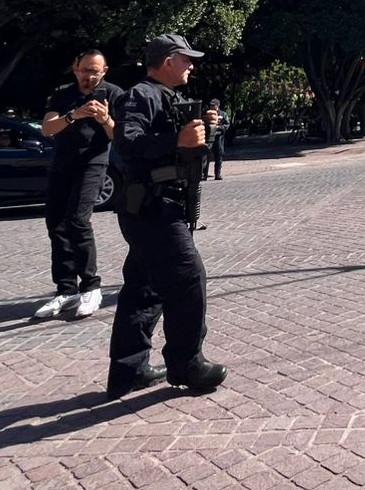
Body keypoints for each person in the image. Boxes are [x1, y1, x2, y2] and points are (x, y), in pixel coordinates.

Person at [105, 33, 226, 401]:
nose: (191, 66)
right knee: (188, 278)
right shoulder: (140, 95)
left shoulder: (170, 97)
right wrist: (177, 139)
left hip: (161, 206)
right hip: (152, 208)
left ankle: (129, 370)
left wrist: (207, 128)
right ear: (169, 60)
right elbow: (126, 142)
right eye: (186, 59)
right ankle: (187, 363)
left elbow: (187, 146)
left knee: (144, 290)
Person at [34, 50, 123, 321]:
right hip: (62, 164)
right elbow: (47, 128)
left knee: (77, 220)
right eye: (85, 70)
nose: (89, 76)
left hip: (92, 164)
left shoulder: (113, 94)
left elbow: (120, 136)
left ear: (104, 71)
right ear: (75, 69)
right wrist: (74, 115)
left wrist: (104, 119)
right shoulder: (63, 94)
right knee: (56, 224)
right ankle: (66, 289)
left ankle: (91, 287)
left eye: (95, 71)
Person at [204, 99, 229, 180]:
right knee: (205, 156)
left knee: (218, 156)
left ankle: (217, 174)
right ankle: (204, 174)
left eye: (213, 105)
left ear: (217, 106)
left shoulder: (223, 114)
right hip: (208, 138)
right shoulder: (207, 113)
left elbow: (227, 125)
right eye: (210, 105)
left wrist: (219, 127)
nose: (211, 107)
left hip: (218, 138)